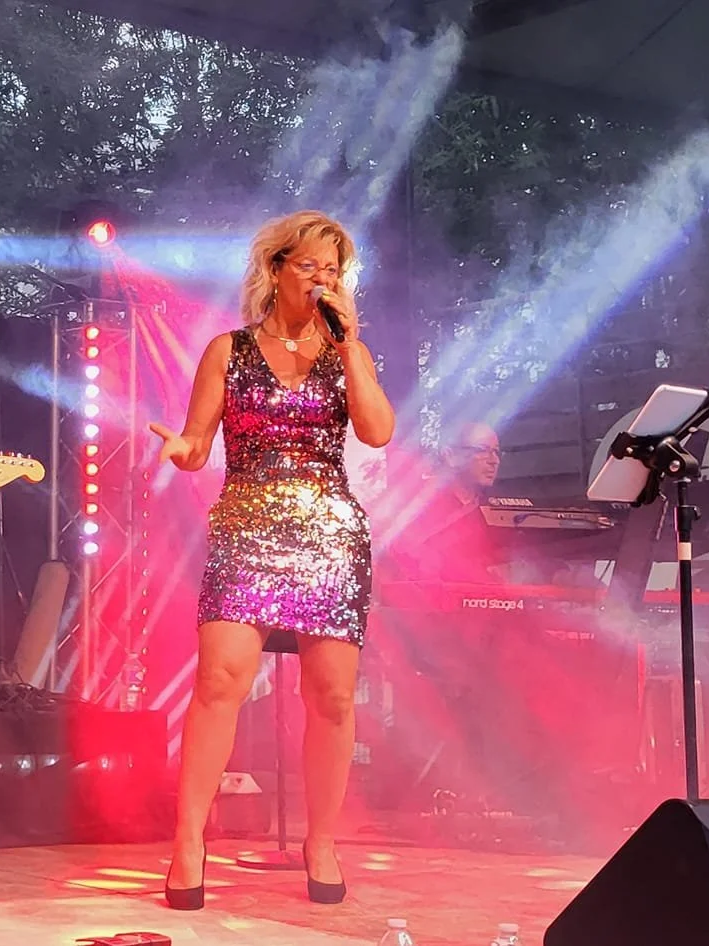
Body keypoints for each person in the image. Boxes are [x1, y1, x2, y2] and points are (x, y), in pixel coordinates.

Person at [147, 210, 395, 909]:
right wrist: (182, 451)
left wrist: (351, 347)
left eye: (332, 269)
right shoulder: (229, 350)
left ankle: (322, 841)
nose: (321, 279)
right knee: (220, 680)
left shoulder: (348, 352)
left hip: (329, 534)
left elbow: (377, 432)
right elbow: (197, 443)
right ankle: (188, 842)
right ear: (277, 269)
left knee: (333, 696)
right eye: (309, 265)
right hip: (247, 525)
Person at [377, 421, 504, 584]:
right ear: (450, 455)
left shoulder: (497, 511)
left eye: (496, 452)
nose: (494, 460)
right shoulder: (416, 505)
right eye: (482, 450)